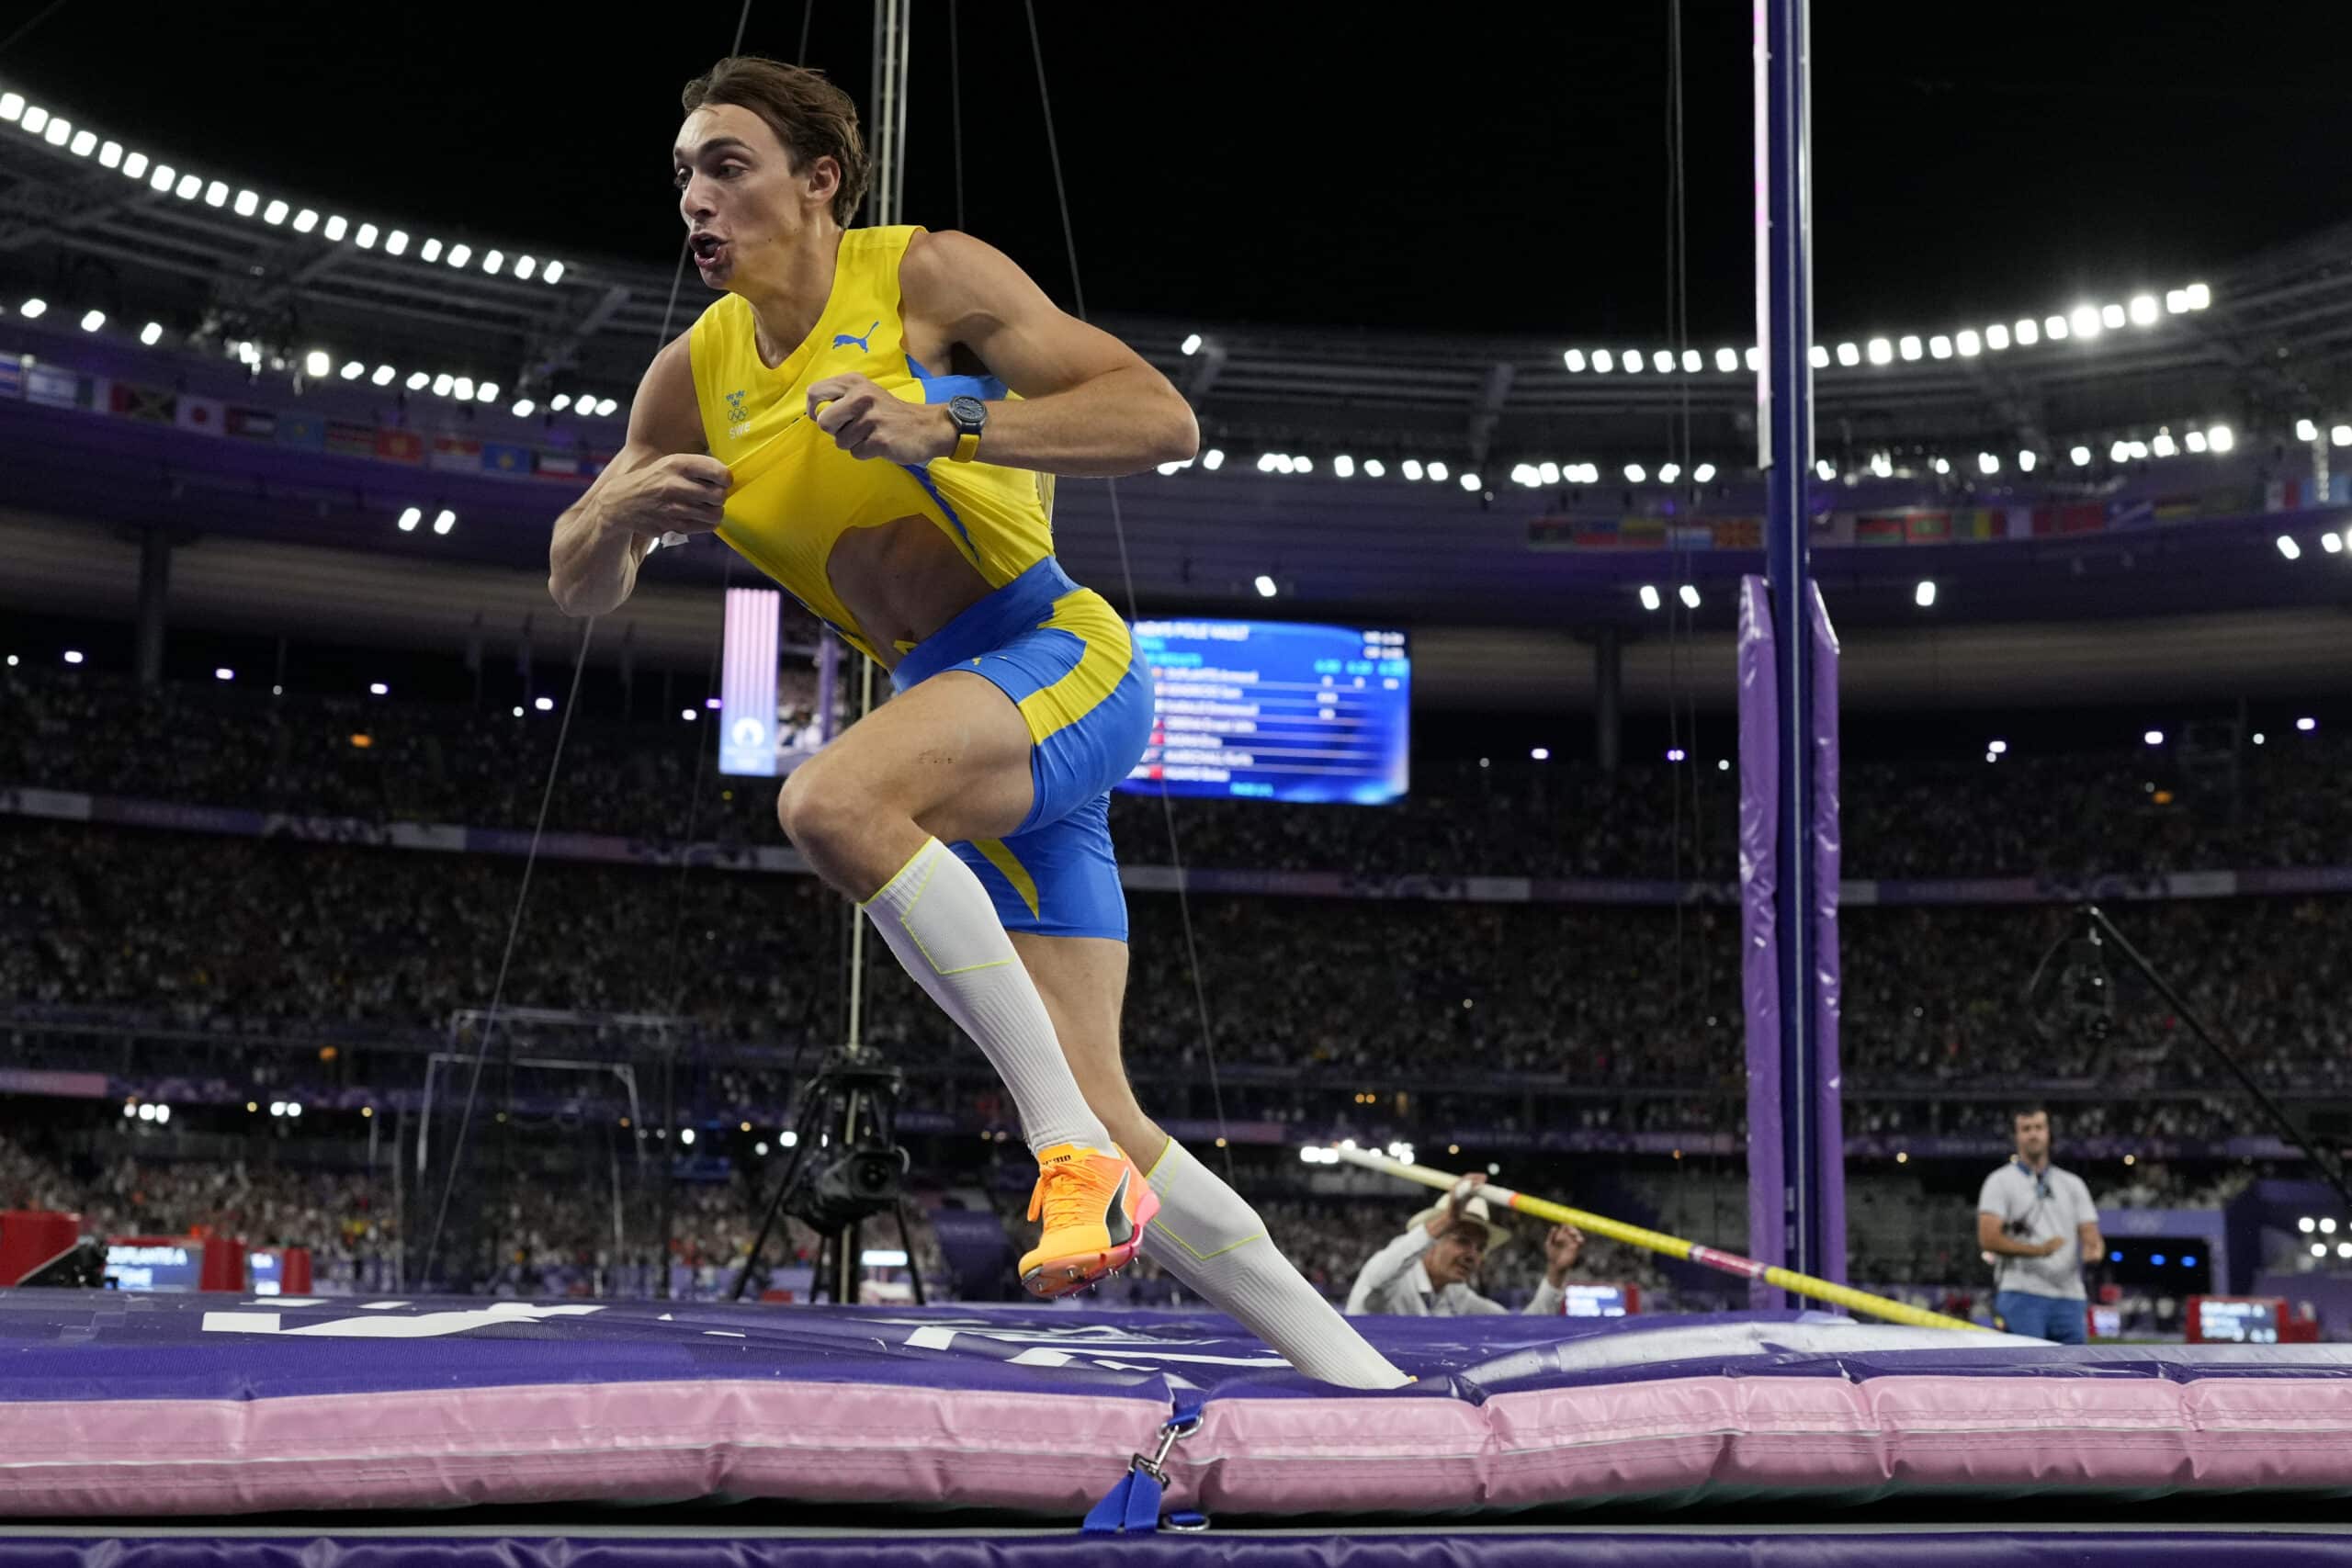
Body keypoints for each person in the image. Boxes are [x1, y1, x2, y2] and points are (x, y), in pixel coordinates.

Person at [546, 56, 1409, 1386]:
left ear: (818, 180)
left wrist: (946, 419)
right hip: (960, 714)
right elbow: (580, 583)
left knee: (830, 799)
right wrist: (610, 516)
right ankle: (1370, 1378)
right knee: (1122, 1112)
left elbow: (1159, 415)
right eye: (683, 175)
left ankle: (1062, 1148)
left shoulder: (924, 277)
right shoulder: (692, 372)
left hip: (1057, 652)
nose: (696, 200)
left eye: (727, 165)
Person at [1346, 1174, 1585, 1315]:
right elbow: (1378, 1277)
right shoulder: (1396, 1276)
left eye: (1480, 1248)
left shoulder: (1457, 1295)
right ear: (1432, 1240)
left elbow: (1522, 1330)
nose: (1473, 1255)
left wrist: (1556, 1271)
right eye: (1462, 1240)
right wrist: (1449, 1219)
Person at [1975, 1104, 2102, 1344]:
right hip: (2021, 1293)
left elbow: (2091, 1234)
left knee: (2076, 1376)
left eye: (2039, 1127)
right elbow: (1988, 1239)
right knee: (2027, 1376)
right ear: (2017, 1136)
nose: (2033, 1134)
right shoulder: (1999, 1182)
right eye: (2026, 1129)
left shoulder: (2072, 1183)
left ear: (2048, 1133)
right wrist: (2040, 1251)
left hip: (2070, 1296)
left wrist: (2093, 1250)